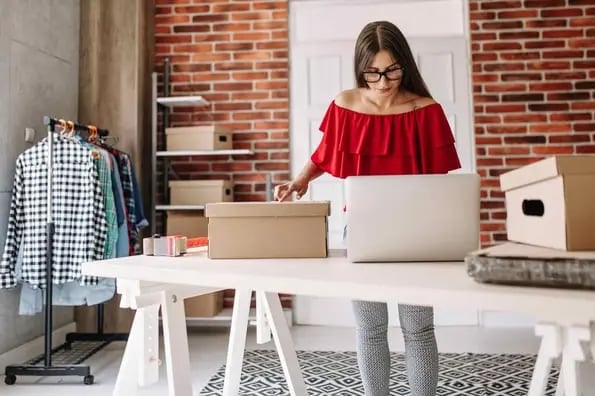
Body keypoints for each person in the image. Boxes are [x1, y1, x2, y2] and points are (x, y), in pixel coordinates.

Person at [274, 20, 461, 396]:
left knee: (418, 328)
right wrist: (300, 180)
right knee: (370, 327)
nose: (383, 81)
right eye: (373, 72)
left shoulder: (426, 110)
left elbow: (440, 184)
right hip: (361, 230)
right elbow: (325, 155)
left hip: (417, 236)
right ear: (361, 68)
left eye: (392, 69)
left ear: (405, 64)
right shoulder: (345, 104)